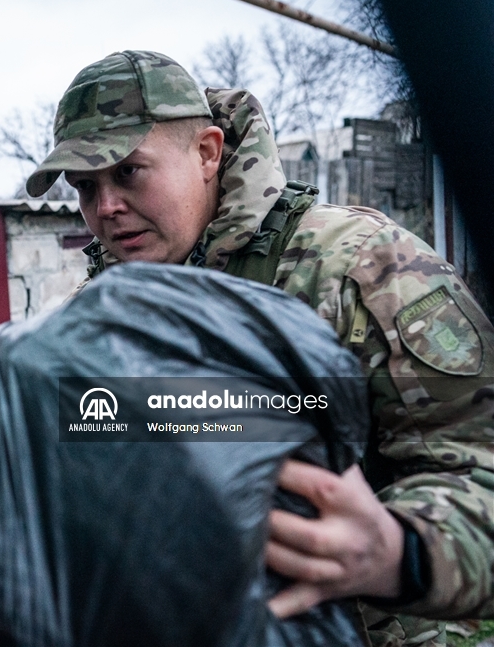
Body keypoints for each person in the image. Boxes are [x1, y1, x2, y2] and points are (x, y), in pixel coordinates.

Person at [25, 50, 493, 645]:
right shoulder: (98, 316)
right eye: (86, 187)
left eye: (128, 172)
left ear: (207, 152)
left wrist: (401, 551)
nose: (105, 208)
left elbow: (478, 464)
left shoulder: (359, 268)